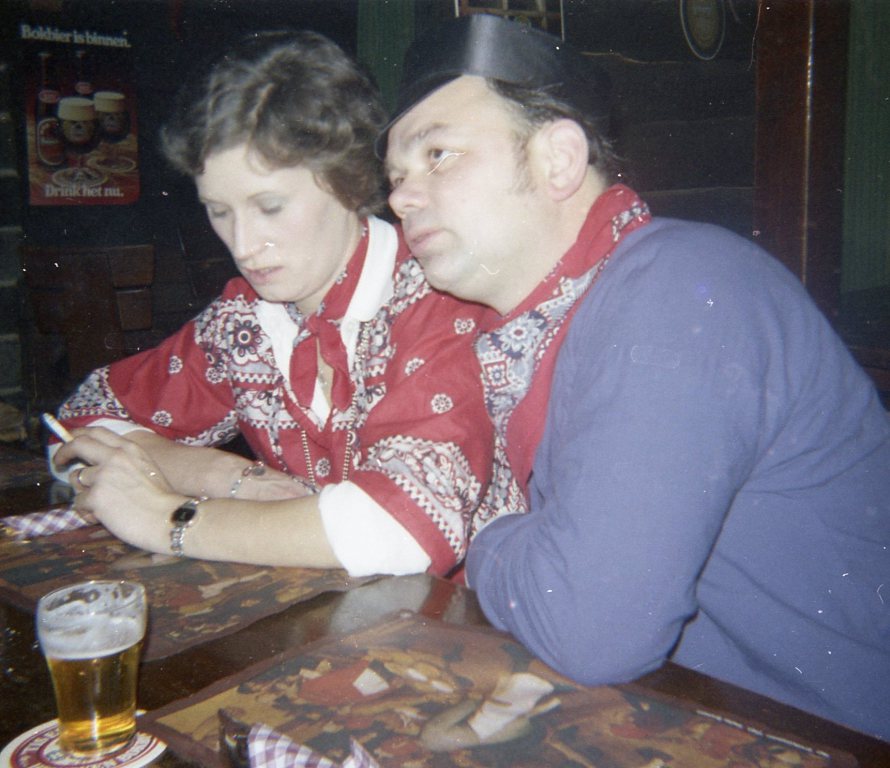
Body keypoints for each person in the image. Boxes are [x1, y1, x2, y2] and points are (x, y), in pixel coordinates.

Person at [380, 13, 890, 740]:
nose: (402, 197)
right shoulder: (521, 331)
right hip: (704, 719)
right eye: (397, 177)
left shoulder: (678, 286)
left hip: (834, 737)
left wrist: (483, 530)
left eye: (438, 155)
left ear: (559, 160)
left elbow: (593, 629)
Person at [51, 29, 495, 579]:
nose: (242, 245)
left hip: (467, 617)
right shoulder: (245, 320)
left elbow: (406, 531)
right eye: (219, 211)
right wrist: (220, 475)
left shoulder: (438, 296)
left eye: (270, 206)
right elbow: (81, 422)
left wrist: (169, 518)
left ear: (347, 180)